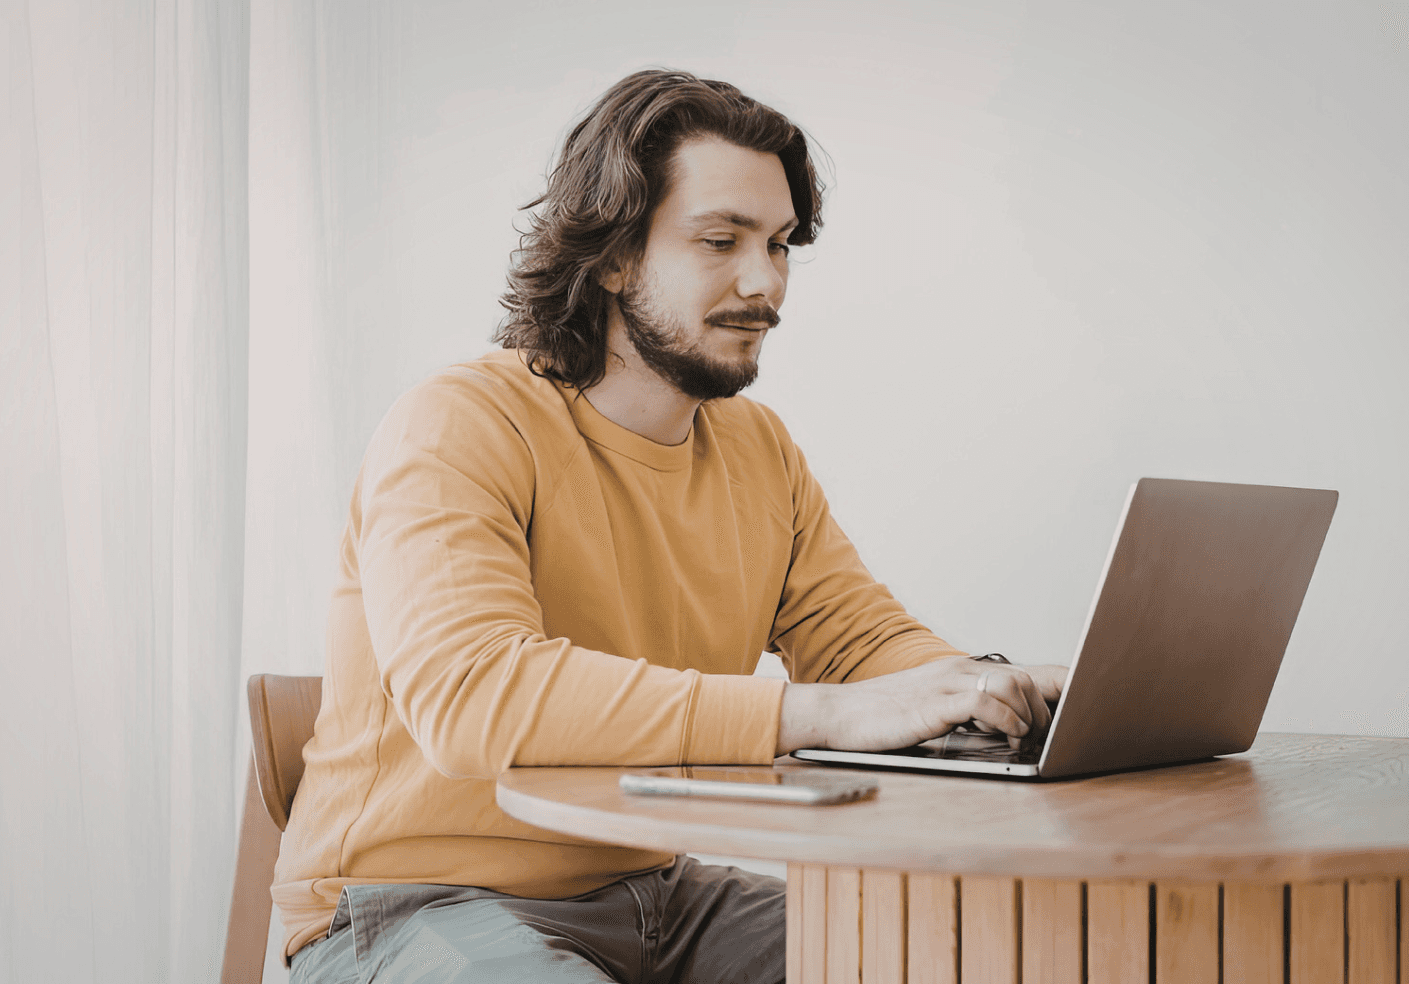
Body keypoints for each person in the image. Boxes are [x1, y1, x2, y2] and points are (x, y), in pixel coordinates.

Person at [274, 68, 1067, 984]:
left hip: (660, 893)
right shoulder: (459, 423)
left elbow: (855, 642)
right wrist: (823, 713)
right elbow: (471, 698)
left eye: (778, 244)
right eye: (720, 240)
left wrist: (984, 692)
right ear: (612, 254)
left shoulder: (756, 447)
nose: (763, 281)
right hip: (410, 902)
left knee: (992, 958)